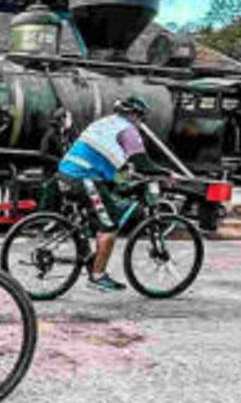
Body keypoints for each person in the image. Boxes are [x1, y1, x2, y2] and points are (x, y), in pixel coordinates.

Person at [57, 95, 167, 292]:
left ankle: (89, 256)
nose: (141, 122)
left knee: (102, 208)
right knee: (109, 225)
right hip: (84, 177)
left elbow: (111, 157)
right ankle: (97, 277)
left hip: (67, 173)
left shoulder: (106, 122)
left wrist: (125, 175)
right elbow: (143, 163)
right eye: (141, 118)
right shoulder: (128, 130)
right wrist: (166, 173)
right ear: (134, 115)